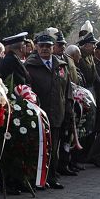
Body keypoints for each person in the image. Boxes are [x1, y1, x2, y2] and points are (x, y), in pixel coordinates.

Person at [24, 33, 69, 189]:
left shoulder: (61, 65)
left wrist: (68, 111)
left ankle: (52, 177)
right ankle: (37, 179)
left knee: (53, 148)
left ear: (53, 47)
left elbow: (67, 91)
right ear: (36, 47)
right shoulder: (30, 66)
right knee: (38, 148)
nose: (44, 49)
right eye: (41, 46)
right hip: (38, 114)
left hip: (57, 113)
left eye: (48, 46)